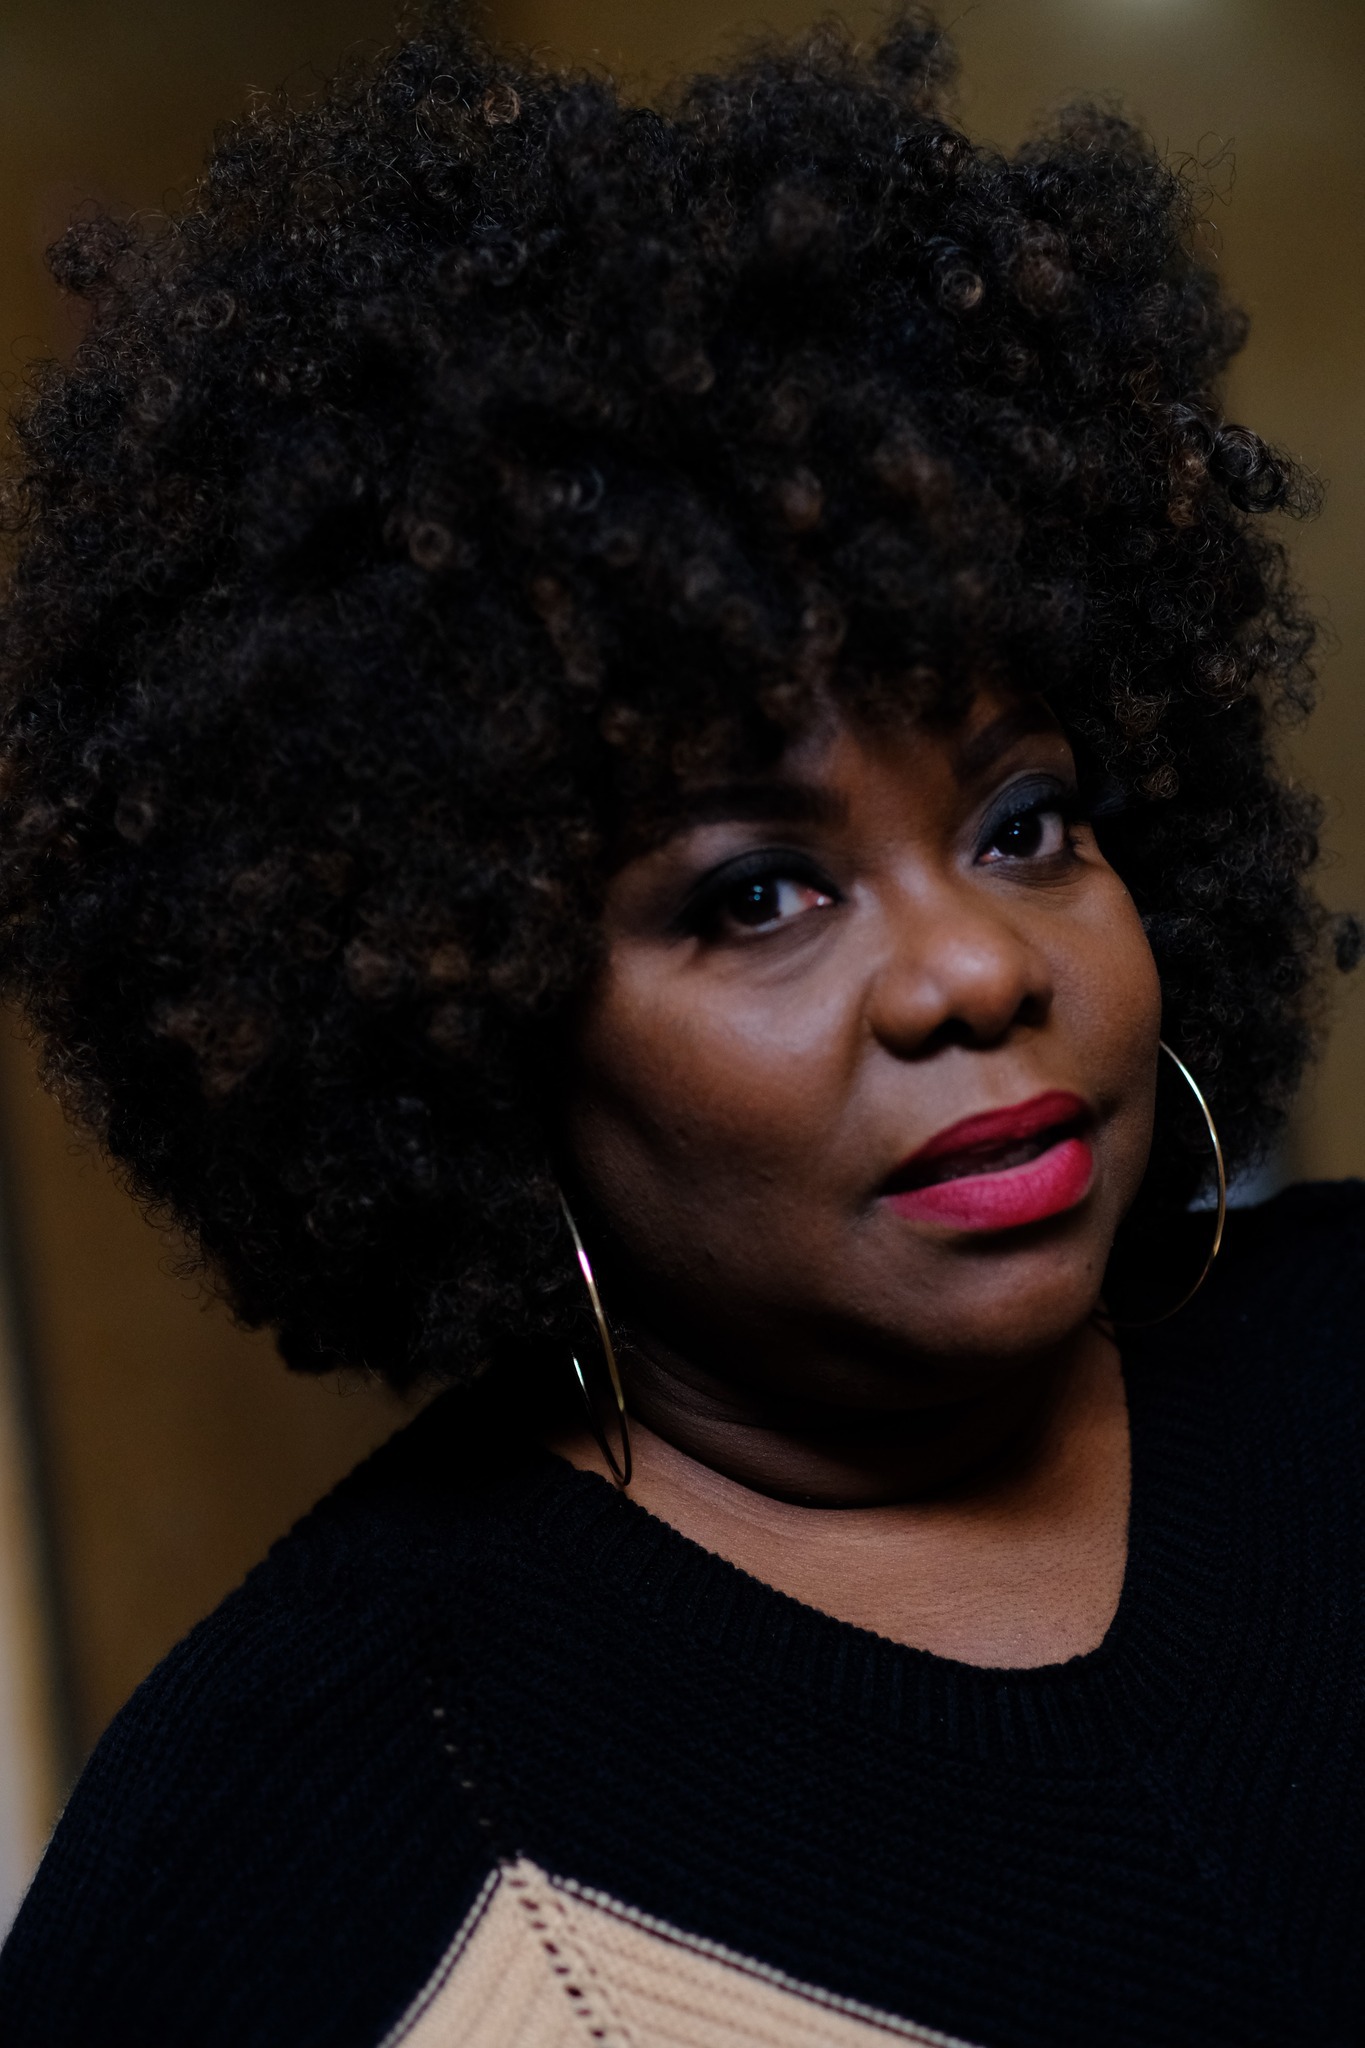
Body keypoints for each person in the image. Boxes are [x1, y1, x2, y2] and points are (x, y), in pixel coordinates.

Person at [0, 5, 1361, 2042]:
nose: (972, 968)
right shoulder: (296, 1868)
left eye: (1020, 822)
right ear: (469, 1017)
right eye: (753, 895)